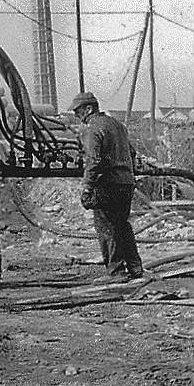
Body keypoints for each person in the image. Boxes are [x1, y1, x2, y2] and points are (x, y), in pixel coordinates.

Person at [70, 91, 144, 280]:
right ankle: (136, 268)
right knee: (122, 226)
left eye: (78, 112)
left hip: (108, 184)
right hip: (126, 183)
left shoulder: (94, 128)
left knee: (107, 228)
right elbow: (132, 152)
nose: (77, 117)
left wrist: (87, 187)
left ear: (89, 108)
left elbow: (93, 161)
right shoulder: (116, 124)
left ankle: (116, 272)